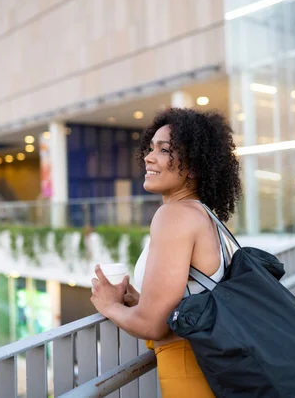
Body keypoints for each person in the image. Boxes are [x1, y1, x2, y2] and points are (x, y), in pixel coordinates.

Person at [90, 108, 242, 397]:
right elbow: (193, 298)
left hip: (189, 371)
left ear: (194, 166)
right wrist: (140, 300)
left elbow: (154, 325)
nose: (148, 157)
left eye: (164, 150)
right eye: (151, 148)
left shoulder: (174, 216)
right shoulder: (204, 215)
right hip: (210, 369)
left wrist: (109, 306)